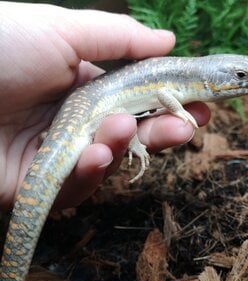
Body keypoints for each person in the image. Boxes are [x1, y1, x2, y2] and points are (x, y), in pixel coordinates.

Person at [0, 2, 210, 209]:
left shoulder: (184, 75)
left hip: (65, 123)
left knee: (115, 127)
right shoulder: (183, 81)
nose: (244, 84)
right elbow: (163, 93)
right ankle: (133, 143)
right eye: (240, 77)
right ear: (208, 80)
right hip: (82, 122)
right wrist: (175, 113)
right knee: (120, 119)